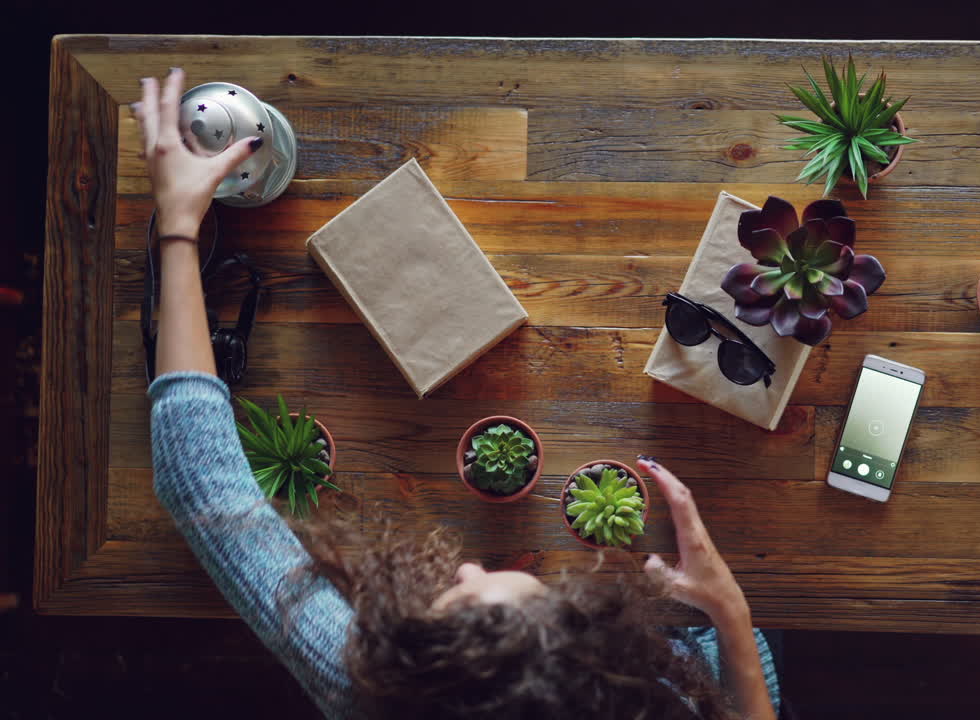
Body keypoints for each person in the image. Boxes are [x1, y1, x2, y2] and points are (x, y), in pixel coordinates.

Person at [136, 67, 780, 719]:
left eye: (449, 615)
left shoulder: (374, 688)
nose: (466, 571)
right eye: (502, 599)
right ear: (595, 667)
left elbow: (202, 481)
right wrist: (729, 614)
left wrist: (179, 227)